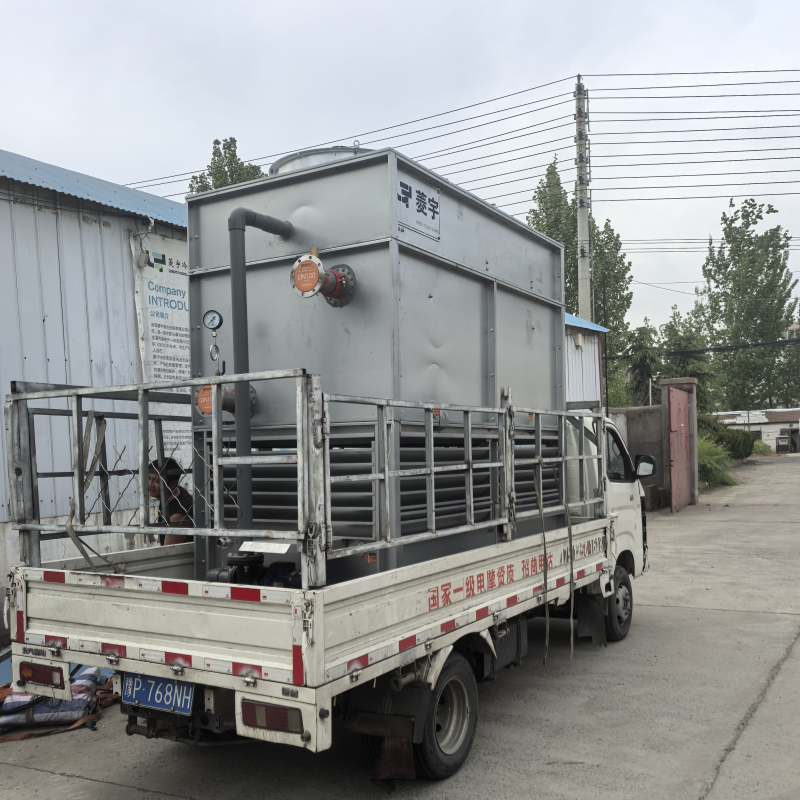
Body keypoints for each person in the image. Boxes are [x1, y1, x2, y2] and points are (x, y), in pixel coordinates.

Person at [148, 458, 194, 545]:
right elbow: (162, 532)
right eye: (148, 478)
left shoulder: (177, 515)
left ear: (172, 484)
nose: (150, 484)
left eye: (156, 481)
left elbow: (168, 550)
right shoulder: (169, 495)